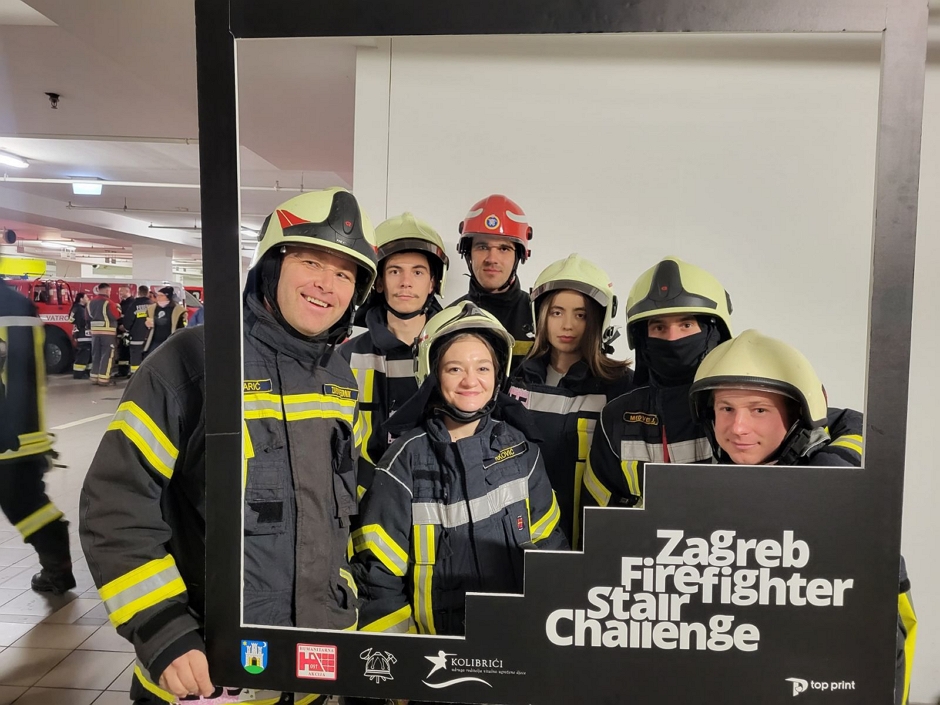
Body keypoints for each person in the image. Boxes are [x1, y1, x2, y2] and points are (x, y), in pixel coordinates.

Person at [80, 187, 377, 705]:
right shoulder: (190, 363)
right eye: (311, 262)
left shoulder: (339, 379)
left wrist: (342, 591)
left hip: (309, 669)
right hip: (208, 676)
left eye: (345, 274)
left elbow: (341, 509)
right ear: (270, 267)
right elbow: (115, 508)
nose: (327, 285)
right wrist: (164, 629)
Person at [688, 329, 917, 705]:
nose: (738, 427)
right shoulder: (696, 496)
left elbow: (884, 649)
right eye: (726, 409)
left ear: (798, 415)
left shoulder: (845, 509)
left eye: (759, 410)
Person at [351, 301, 567, 641]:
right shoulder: (402, 463)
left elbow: (551, 553)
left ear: (498, 375)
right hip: (433, 657)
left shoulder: (522, 452)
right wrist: (405, 661)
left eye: (483, 368)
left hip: (517, 646)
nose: (471, 381)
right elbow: (378, 581)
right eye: (454, 369)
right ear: (432, 374)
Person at [583, 257, 733, 509]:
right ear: (642, 338)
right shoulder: (617, 418)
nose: (673, 339)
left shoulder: (742, 409)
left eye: (686, 324)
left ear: (713, 332)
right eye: (659, 328)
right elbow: (598, 514)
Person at [508, 254, 634, 546]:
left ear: (599, 320)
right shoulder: (515, 378)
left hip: (592, 534)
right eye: (557, 313)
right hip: (522, 531)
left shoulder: (621, 385)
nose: (567, 326)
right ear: (540, 315)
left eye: (581, 315)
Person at [339, 212, 449, 495]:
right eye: (395, 271)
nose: (406, 282)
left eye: (418, 272)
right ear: (378, 282)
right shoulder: (346, 357)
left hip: (439, 496)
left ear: (433, 283)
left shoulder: (453, 353)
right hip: (365, 497)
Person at [0, 274, 74, 594]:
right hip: (26, 430)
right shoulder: (19, 303)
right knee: (27, 503)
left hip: (6, 433)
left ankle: (58, 570)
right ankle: (58, 569)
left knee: (24, 503)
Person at [450, 194, 535, 373]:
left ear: (519, 256)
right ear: (468, 253)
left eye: (504, 248)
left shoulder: (539, 318)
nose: (492, 259)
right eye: (482, 247)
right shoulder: (449, 320)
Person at [88, 283, 122, 386]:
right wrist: (118, 307)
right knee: (107, 355)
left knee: (96, 354)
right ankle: (104, 379)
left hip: (94, 333)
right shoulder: (109, 302)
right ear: (107, 291)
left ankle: (94, 377)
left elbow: (86, 318)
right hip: (108, 333)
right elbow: (116, 315)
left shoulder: (90, 303)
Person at [144, 286, 187, 356]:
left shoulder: (178, 310)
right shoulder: (151, 309)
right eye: (157, 295)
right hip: (154, 342)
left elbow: (181, 327)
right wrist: (146, 324)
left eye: (161, 295)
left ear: (168, 297)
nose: (158, 297)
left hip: (170, 342)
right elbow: (146, 322)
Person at [123, 285, 152, 374]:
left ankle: (135, 376)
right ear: (148, 293)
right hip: (150, 338)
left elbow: (128, 321)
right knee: (148, 358)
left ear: (138, 293)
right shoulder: (152, 305)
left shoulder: (134, 305)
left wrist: (127, 329)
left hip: (136, 337)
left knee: (135, 358)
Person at [69, 292, 92, 379]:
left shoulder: (76, 308)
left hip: (82, 336)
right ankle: (79, 374)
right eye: (86, 297)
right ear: (81, 299)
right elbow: (84, 322)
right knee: (83, 355)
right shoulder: (80, 310)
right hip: (83, 336)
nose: (88, 299)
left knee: (87, 356)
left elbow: (71, 320)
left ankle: (87, 372)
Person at [116, 285, 133, 377]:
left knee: (128, 351)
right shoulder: (122, 303)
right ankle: (122, 371)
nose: (120, 294)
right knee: (122, 351)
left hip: (128, 331)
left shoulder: (132, 303)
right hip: (121, 331)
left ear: (127, 291)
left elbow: (130, 317)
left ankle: (129, 371)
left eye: (121, 292)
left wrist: (125, 326)